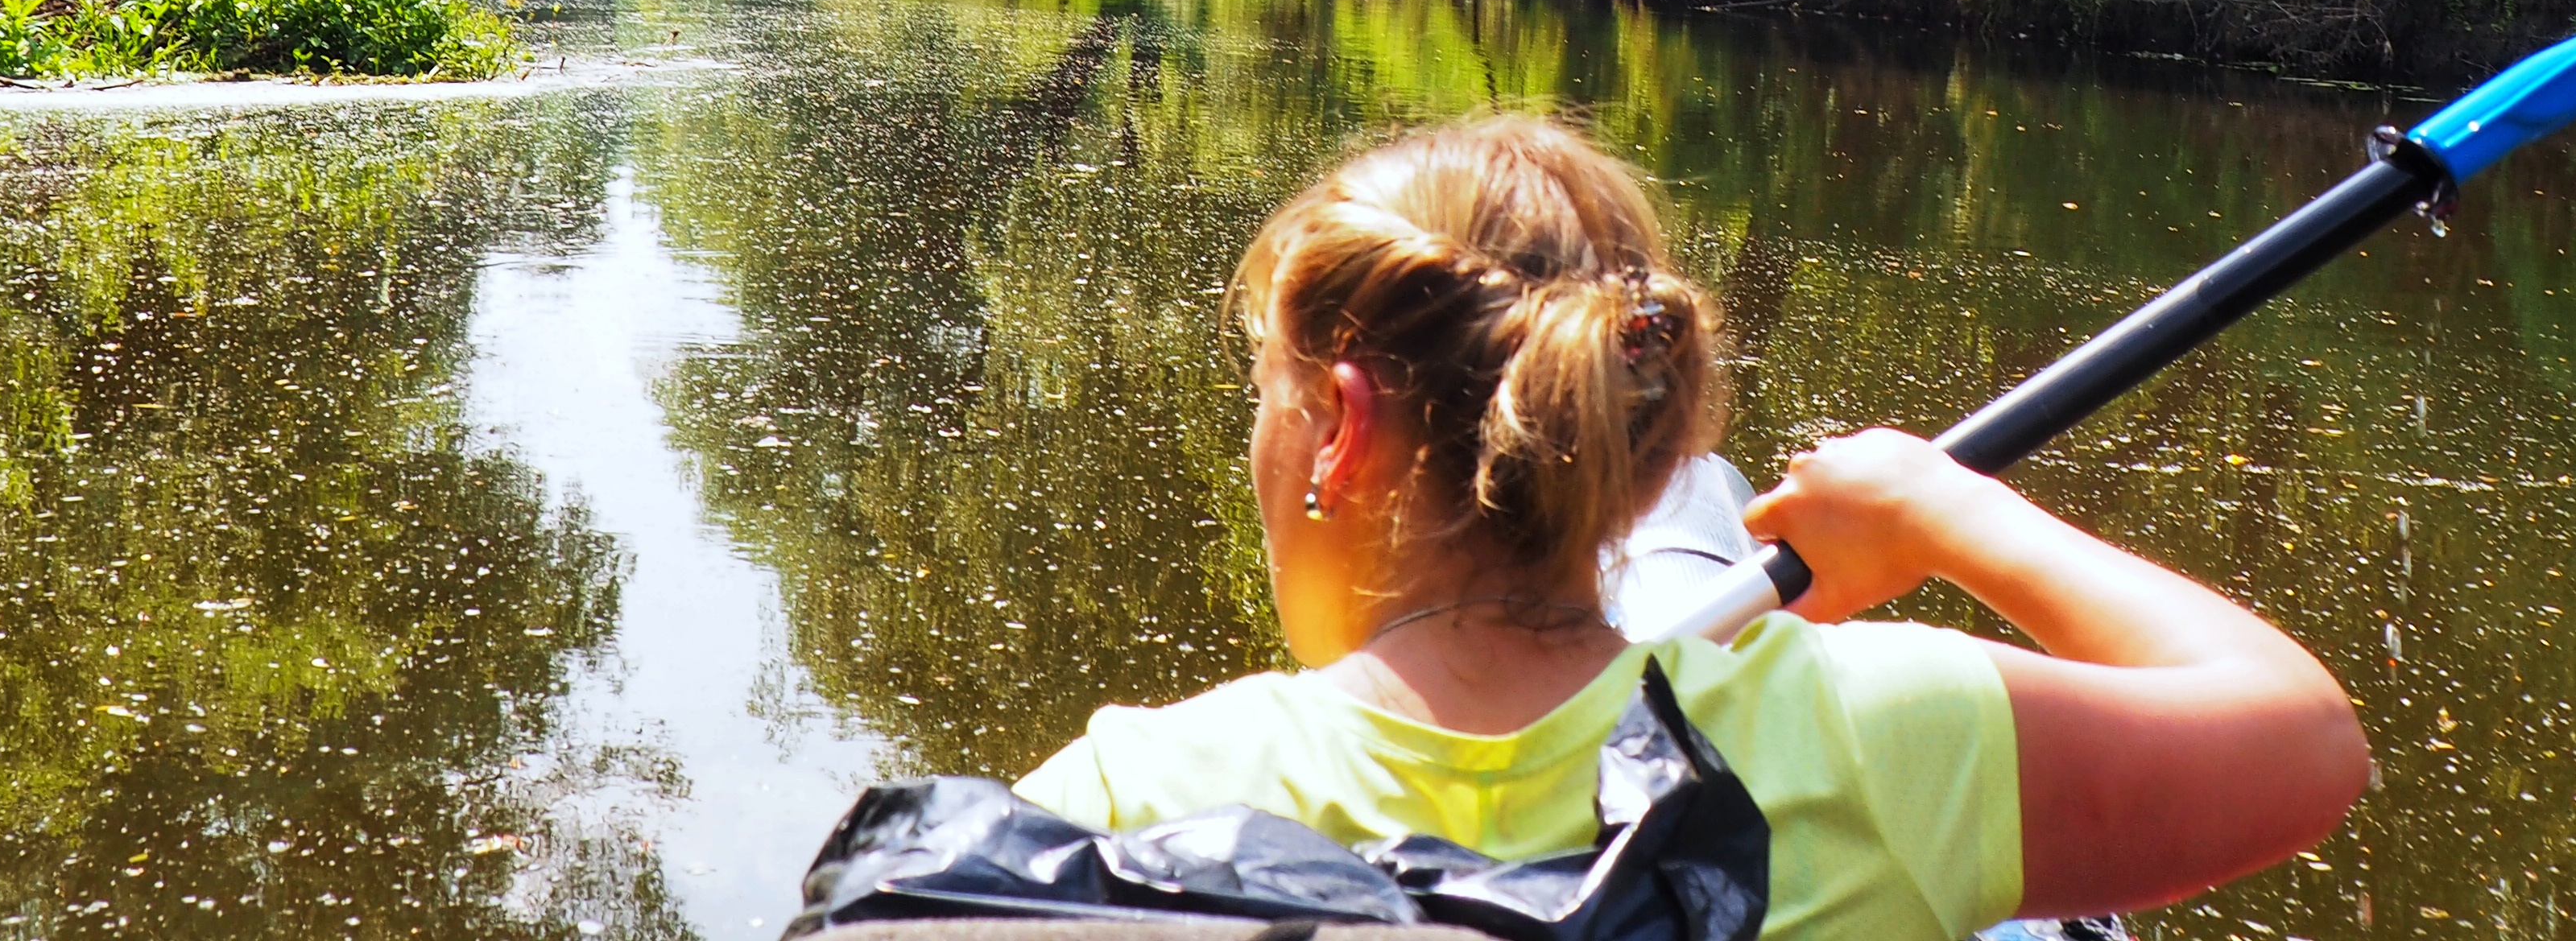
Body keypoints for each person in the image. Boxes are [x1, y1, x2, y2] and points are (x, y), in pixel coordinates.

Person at [1015, 115, 2373, 941]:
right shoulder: (1867, 745)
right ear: (1640, 442)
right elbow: (2305, 740)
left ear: (1345, 429)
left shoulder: (1127, 804)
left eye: (1268, 397)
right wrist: (1945, 511)